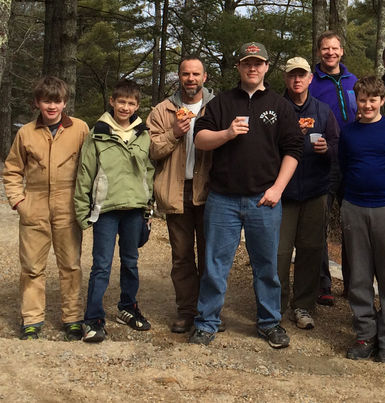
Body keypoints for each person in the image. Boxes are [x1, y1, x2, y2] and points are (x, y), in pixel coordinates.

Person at [189, 42, 304, 347]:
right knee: (215, 265)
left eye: (258, 63)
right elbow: (200, 139)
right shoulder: (221, 103)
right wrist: (227, 133)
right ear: (239, 67)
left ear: (266, 67)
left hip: (263, 200)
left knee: (267, 266)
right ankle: (207, 322)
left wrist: (278, 188)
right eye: (247, 63)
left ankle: (269, 323)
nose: (253, 68)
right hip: (223, 199)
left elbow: (294, 149)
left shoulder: (280, 106)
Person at [2, 76, 90, 341]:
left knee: (71, 265)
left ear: (65, 102)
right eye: (46, 101)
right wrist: (18, 200)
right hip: (35, 204)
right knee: (31, 267)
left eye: (57, 101)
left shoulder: (80, 129)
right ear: (37, 103)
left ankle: (73, 318)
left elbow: (91, 167)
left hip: (68, 204)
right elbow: (12, 169)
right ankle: (31, 319)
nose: (52, 106)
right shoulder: (26, 133)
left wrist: (85, 202)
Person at [74, 79, 155, 343]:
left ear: (137, 106)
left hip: (134, 209)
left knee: (131, 261)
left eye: (131, 103)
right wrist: (82, 210)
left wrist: (148, 204)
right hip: (106, 210)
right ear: (112, 101)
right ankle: (93, 318)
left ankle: (127, 307)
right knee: (102, 265)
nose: (126, 107)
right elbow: (85, 172)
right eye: (121, 102)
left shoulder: (143, 134)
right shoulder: (97, 133)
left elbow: (148, 171)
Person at [340, 75, 385, 365]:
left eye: (373, 99)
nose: (367, 105)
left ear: (383, 101)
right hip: (355, 206)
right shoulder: (349, 133)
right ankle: (364, 334)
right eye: (363, 99)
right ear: (356, 101)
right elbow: (345, 166)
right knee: (359, 276)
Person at [147, 56, 214, 334]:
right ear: (179, 76)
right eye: (186, 74)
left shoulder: (216, 107)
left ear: (204, 77)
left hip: (210, 191)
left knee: (210, 255)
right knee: (182, 255)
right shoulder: (163, 110)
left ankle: (209, 312)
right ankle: (187, 311)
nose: (190, 79)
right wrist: (173, 132)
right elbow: (150, 150)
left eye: (196, 74)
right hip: (176, 190)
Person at [277, 56, 339, 330]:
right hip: (283, 192)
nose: (297, 80)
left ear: (310, 79)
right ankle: (274, 305)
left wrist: (329, 150)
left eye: (302, 75)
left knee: (311, 249)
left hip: (315, 189)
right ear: (286, 79)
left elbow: (338, 145)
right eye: (292, 75)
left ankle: (302, 305)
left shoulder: (323, 111)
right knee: (278, 252)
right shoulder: (276, 108)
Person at [308, 30, 357, 306]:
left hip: (352, 160)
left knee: (352, 225)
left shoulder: (353, 81)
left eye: (334, 48)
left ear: (341, 51)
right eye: (325, 48)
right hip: (322, 161)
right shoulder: (312, 82)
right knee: (319, 224)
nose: (330, 53)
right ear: (319, 52)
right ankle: (322, 284)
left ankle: (353, 283)